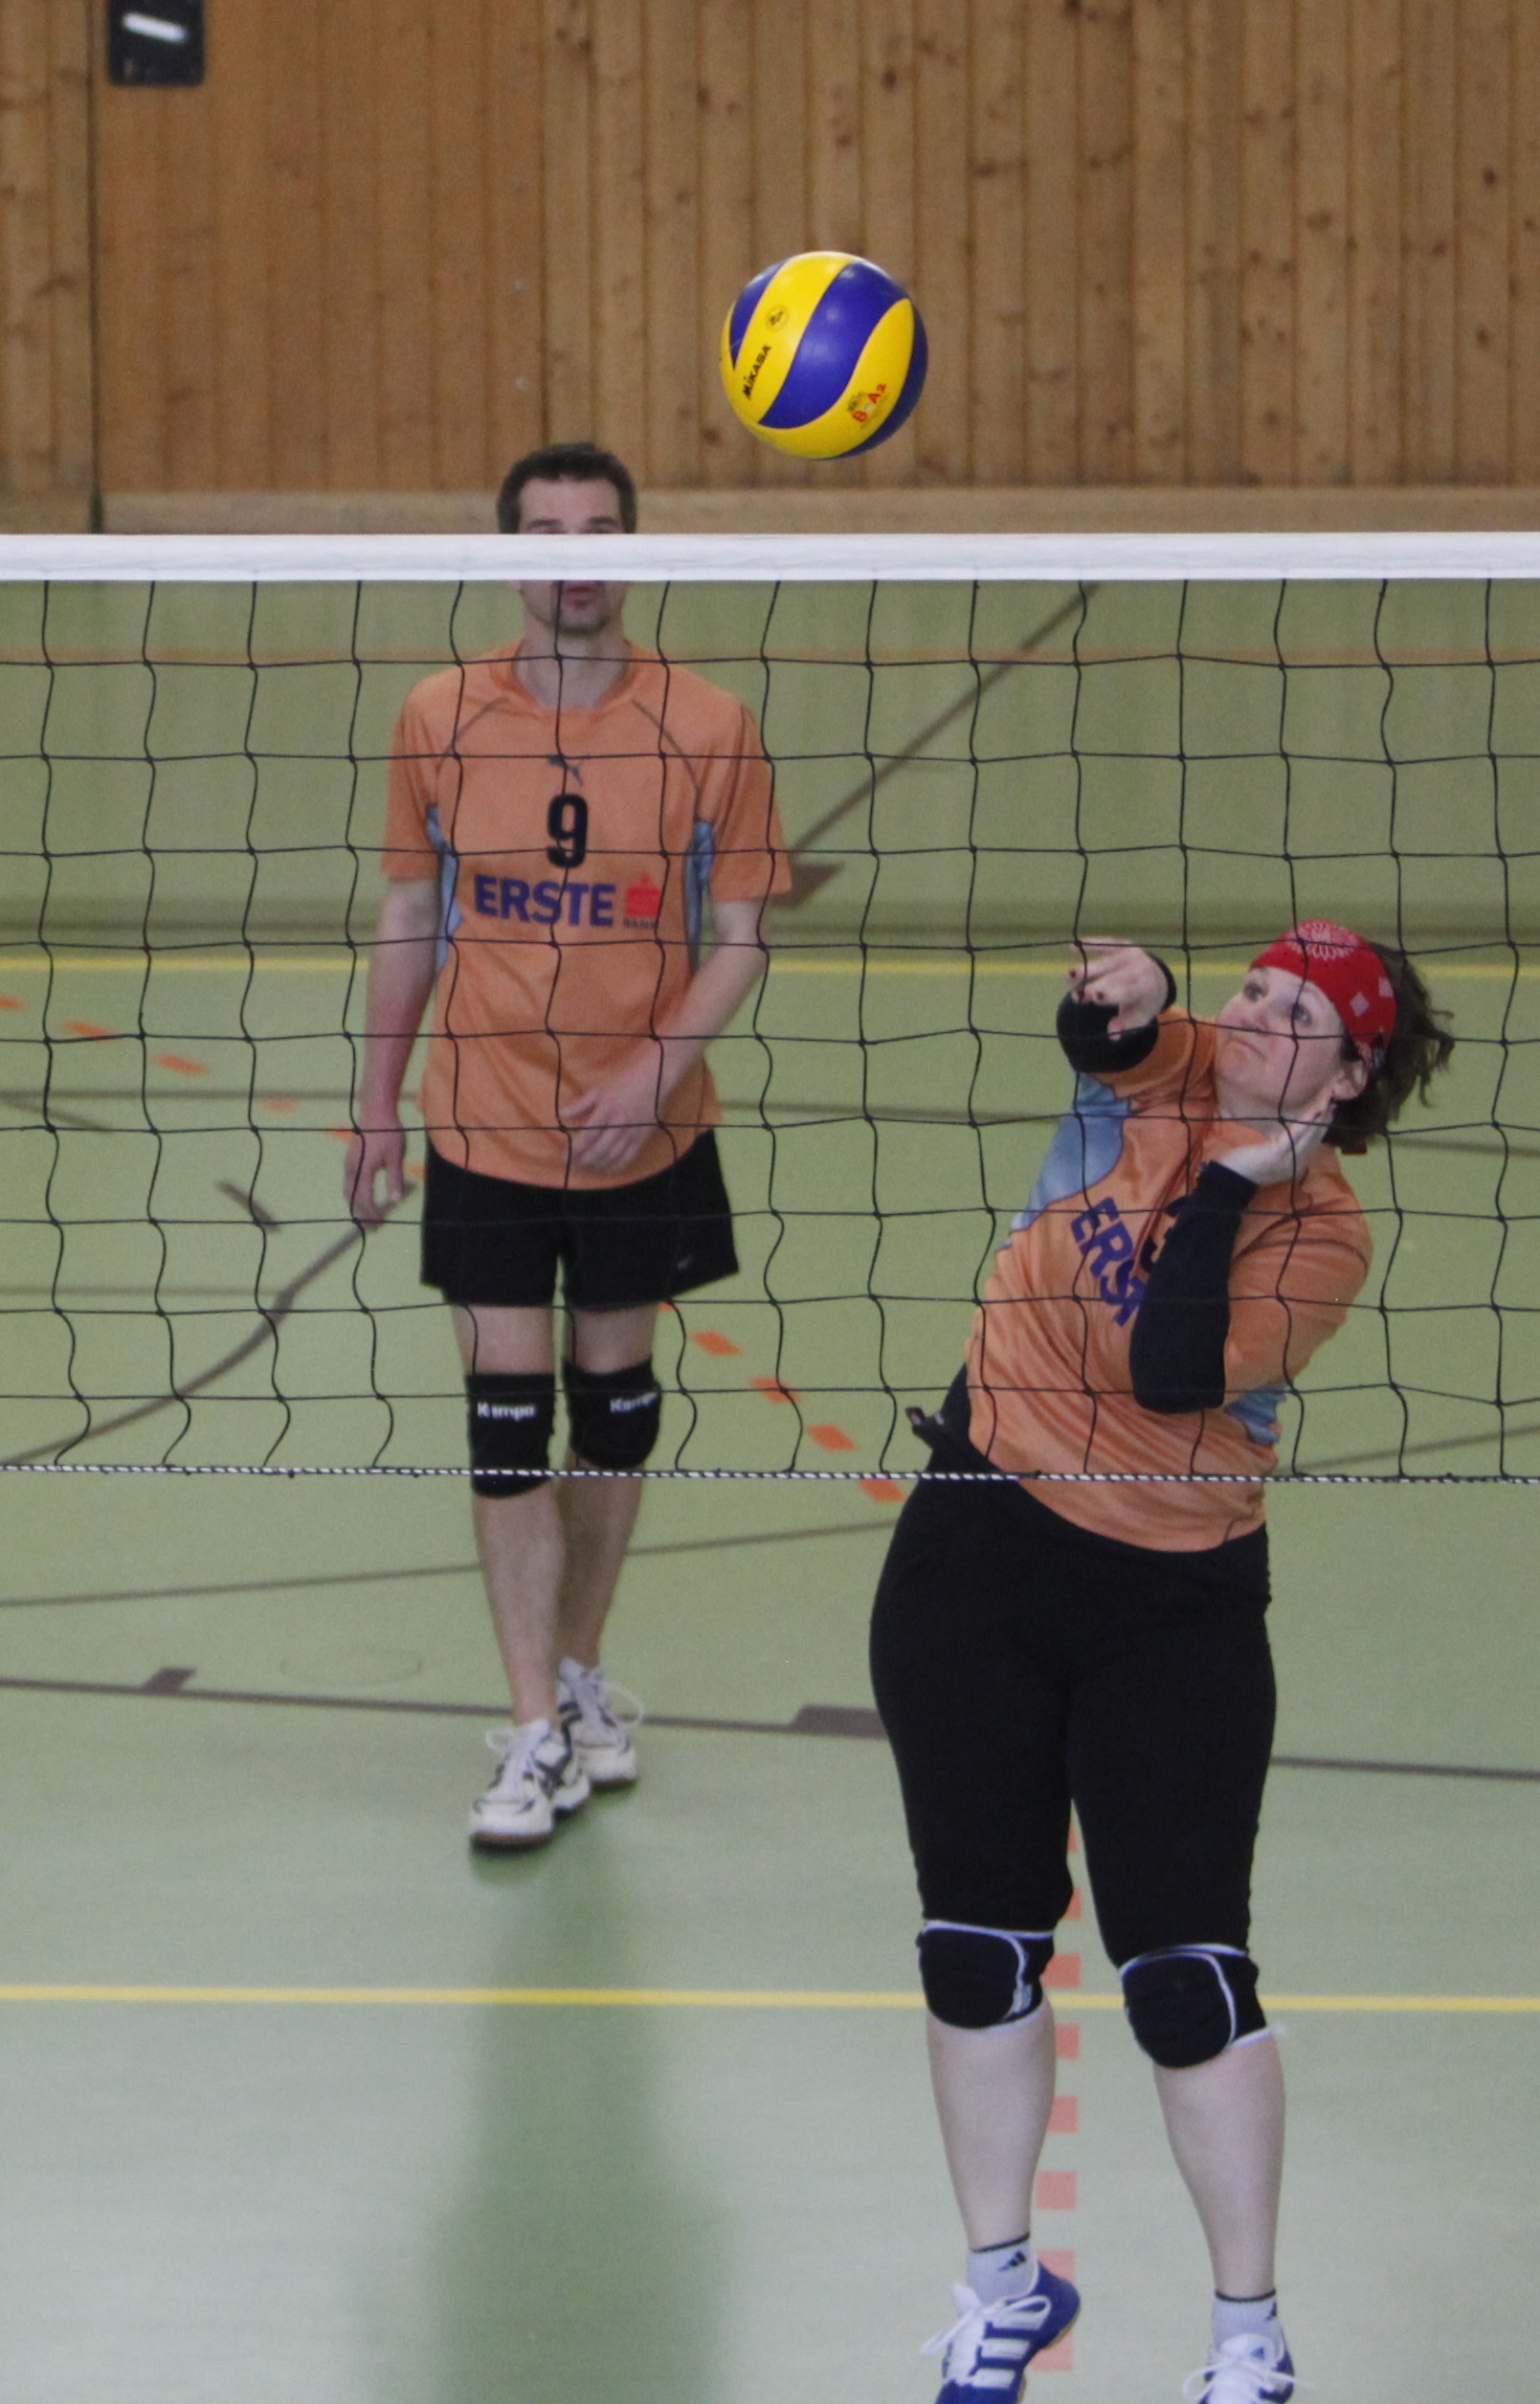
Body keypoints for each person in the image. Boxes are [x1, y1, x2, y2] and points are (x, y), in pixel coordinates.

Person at [869, 924, 1455, 2403]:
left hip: (1167, 1609)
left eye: (1295, 1012)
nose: (1250, 1016)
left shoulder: (1321, 1236)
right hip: (973, 1551)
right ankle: (1001, 2287)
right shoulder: (1183, 1065)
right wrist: (1121, 998)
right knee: (973, 1945)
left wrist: (1229, 1185)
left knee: (1185, 1981)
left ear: (1350, 1072)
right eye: (1251, 986)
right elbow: (1113, 1044)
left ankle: (1245, 2336)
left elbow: (1173, 1370)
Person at [346, 440, 790, 1849]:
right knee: (501, 1424)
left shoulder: (709, 723)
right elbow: (411, 917)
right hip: (484, 1122)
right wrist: (376, 1099)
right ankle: (532, 1721)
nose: (576, 557)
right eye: (546, 532)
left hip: (641, 1136)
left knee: (615, 1411)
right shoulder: (438, 714)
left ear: (634, 552)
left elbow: (741, 939)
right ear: (508, 557)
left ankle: (582, 1672)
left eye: (601, 530)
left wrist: (657, 1069)